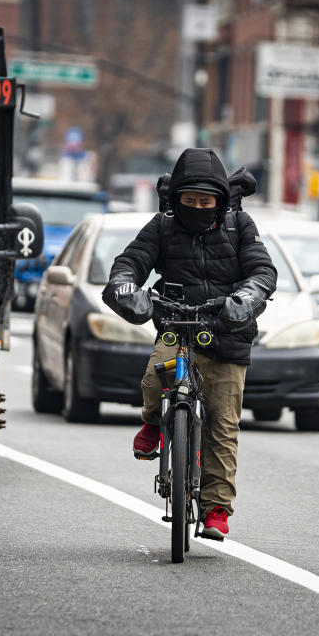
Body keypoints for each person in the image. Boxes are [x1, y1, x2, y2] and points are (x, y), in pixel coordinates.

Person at [102, 147, 277, 540]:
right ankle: (153, 424)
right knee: (155, 375)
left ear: (219, 201)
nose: (197, 207)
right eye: (189, 200)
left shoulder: (240, 225)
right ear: (176, 198)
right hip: (176, 323)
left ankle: (216, 508)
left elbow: (262, 270)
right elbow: (129, 263)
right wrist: (129, 290)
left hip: (228, 331)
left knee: (223, 424)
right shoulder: (162, 226)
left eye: (206, 201)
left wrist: (244, 300)